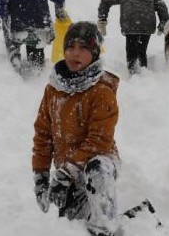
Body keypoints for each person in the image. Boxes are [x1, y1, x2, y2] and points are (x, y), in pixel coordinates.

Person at [32, 21, 122, 236]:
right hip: (66, 172)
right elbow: (43, 135)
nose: (75, 53)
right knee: (74, 225)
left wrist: (66, 173)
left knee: (97, 168)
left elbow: (99, 141)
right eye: (70, 47)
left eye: (83, 48)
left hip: (99, 163)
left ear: (95, 53)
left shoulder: (101, 91)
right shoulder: (53, 90)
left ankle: (105, 230)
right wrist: (41, 176)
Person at [97, 0, 169, 74]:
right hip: (147, 25)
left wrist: (102, 18)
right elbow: (161, 5)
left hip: (130, 24)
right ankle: (143, 71)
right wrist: (163, 22)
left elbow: (106, 0)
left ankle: (133, 73)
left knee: (131, 51)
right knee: (142, 51)